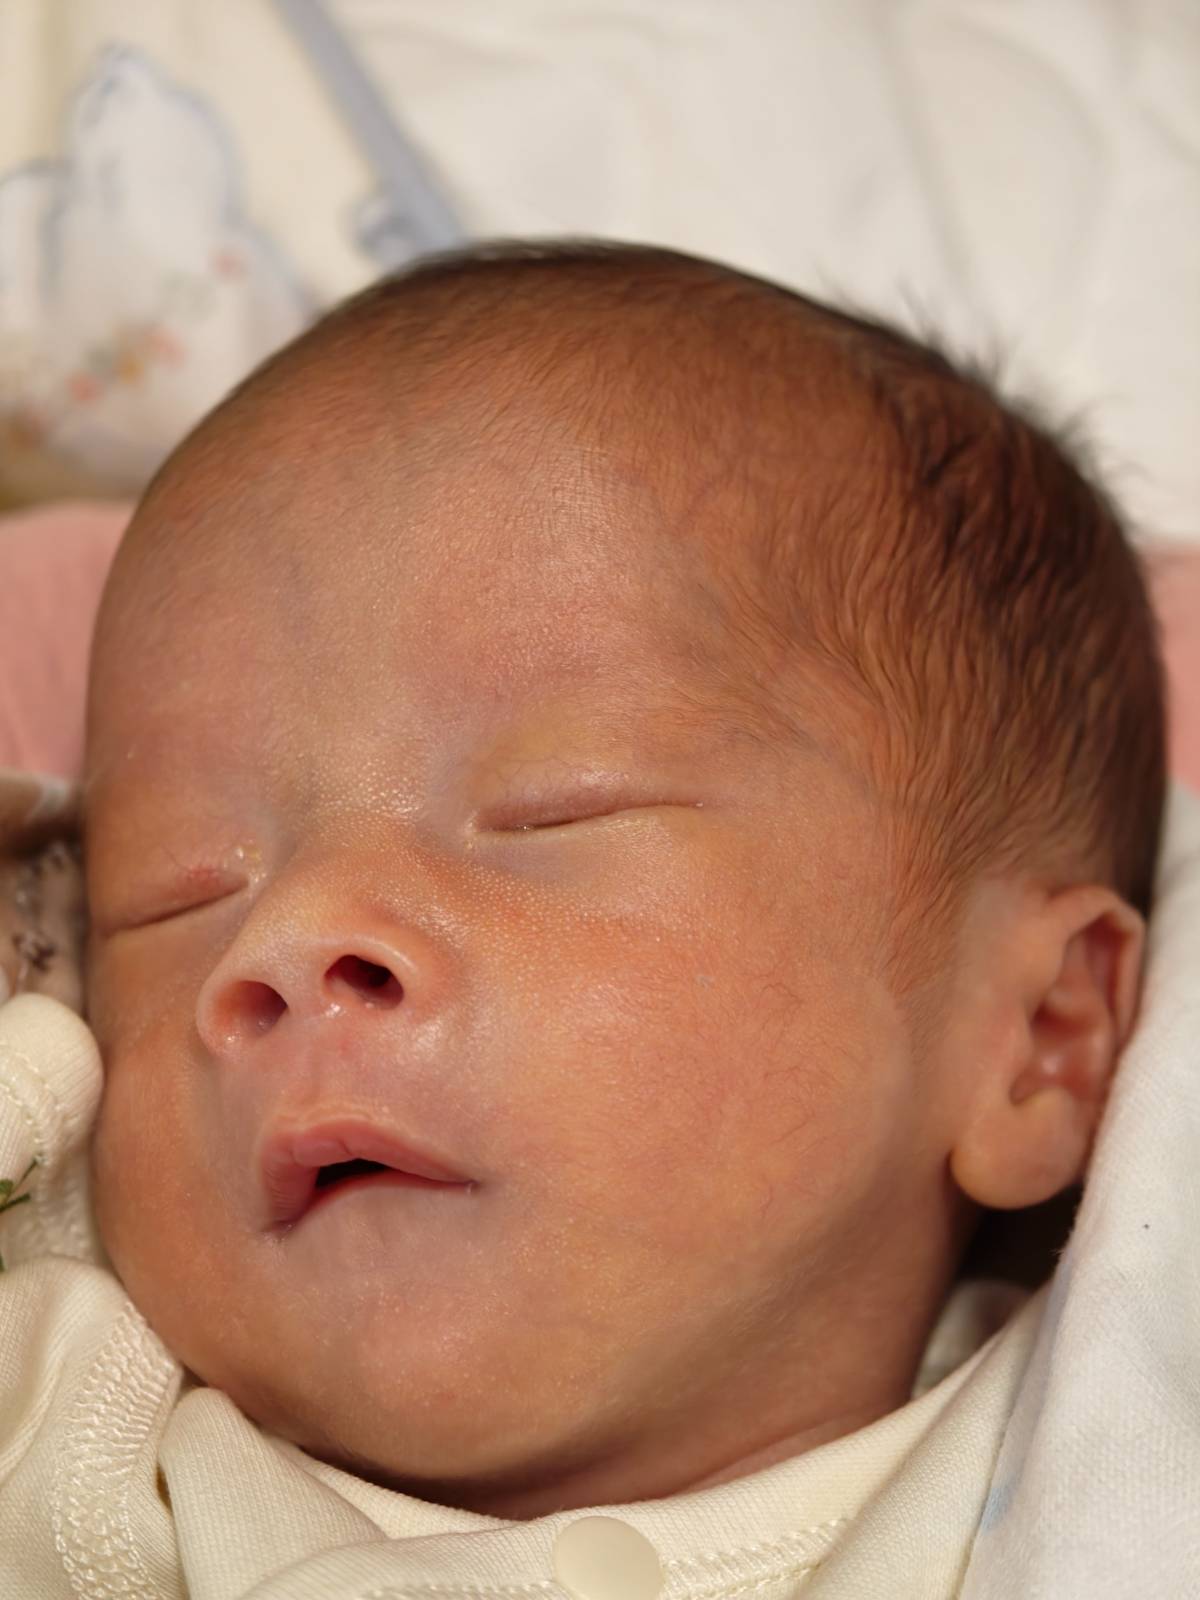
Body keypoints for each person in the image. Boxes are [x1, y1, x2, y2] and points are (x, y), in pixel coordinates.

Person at [0, 241, 1176, 1597]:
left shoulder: (1122, 1449)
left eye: (550, 810)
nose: (290, 936)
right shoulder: (67, 1437)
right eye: (182, 887)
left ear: (1040, 1031)